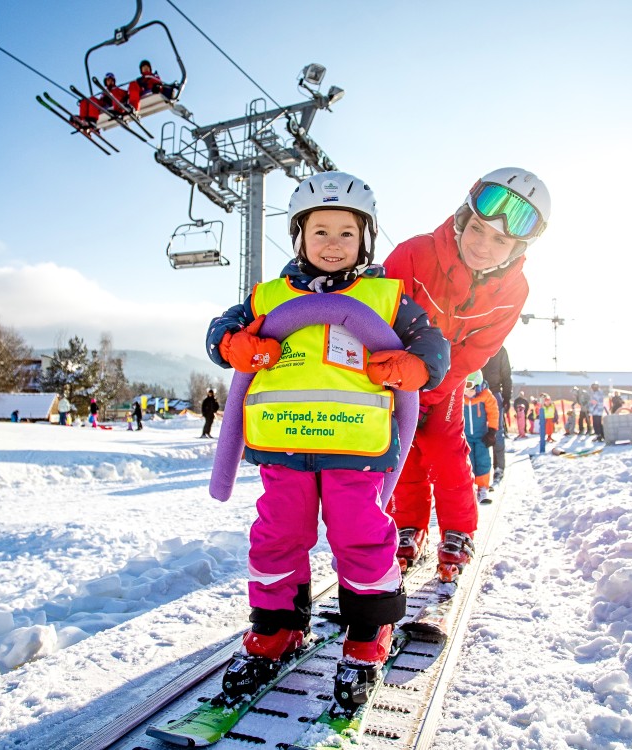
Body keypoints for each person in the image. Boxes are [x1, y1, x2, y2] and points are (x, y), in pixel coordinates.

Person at [205, 171, 449, 698]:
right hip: (283, 448)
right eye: (320, 231)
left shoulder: (388, 298)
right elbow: (220, 329)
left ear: (366, 238)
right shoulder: (267, 297)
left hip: (356, 453)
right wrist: (232, 345)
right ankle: (278, 628)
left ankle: (368, 631)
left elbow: (432, 344)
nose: (333, 244)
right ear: (299, 236)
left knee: (360, 536)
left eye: (346, 232)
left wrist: (416, 368)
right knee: (276, 537)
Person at [383, 167, 551, 582]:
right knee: (401, 454)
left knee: (444, 447)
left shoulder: (515, 291)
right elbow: (378, 316)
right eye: (477, 228)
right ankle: (409, 526)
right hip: (394, 375)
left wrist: (430, 393)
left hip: (445, 382)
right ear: (463, 218)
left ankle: (458, 531)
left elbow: (479, 350)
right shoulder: (414, 254)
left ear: (517, 247)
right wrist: (396, 382)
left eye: (500, 240)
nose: (482, 245)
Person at [462, 371, 499, 504]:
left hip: (482, 437)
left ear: (478, 386)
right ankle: (469, 488)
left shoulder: (485, 396)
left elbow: (493, 412)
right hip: (465, 437)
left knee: (483, 461)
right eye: (464, 387)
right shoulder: (461, 398)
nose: (466, 391)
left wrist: (492, 431)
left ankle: (483, 488)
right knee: (468, 463)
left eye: (469, 387)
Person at [482, 345, 512, 484]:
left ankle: (499, 467)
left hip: (494, 392)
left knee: (497, 431)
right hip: (475, 392)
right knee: (475, 432)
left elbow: (506, 375)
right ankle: (479, 471)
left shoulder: (500, 349)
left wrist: (506, 397)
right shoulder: (477, 342)